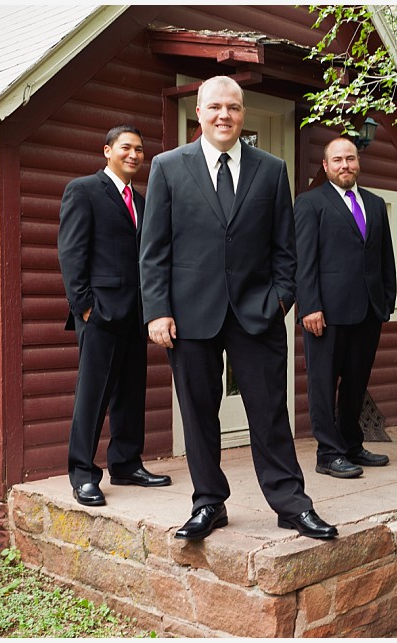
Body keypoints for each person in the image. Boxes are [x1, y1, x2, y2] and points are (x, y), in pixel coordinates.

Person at [139, 76, 337, 541]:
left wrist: (280, 300)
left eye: (232, 107)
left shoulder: (271, 169)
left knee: (269, 412)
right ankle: (209, 503)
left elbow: (284, 249)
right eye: (215, 107)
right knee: (199, 412)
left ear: (242, 113)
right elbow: (153, 248)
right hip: (189, 317)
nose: (224, 115)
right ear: (200, 112)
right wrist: (157, 311)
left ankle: (291, 504)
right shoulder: (168, 167)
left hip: (257, 314)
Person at [57, 125, 171, 507]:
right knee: (93, 396)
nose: (134, 155)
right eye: (126, 148)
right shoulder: (84, 190)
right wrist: (85, 307)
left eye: (140, 149)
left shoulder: (141, 201)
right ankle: (83, 473)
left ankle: (125, 463)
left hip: (136, 315)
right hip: (100, 314)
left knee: (130, 393)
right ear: (107, 150)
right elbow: (72, 254)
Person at [294, 137, 397, 479]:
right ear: (325, 166)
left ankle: (352, 443)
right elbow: (304, 260)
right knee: (323, 384)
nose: (345, 165)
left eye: (350, 159)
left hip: (368, 310)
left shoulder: (375, 203)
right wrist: (309, 306)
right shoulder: (310, 203)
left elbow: (385, 258)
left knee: (356, 381)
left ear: (358, 162)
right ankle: (328, 452)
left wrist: (386, 299)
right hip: (326, 313)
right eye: (337, 160)